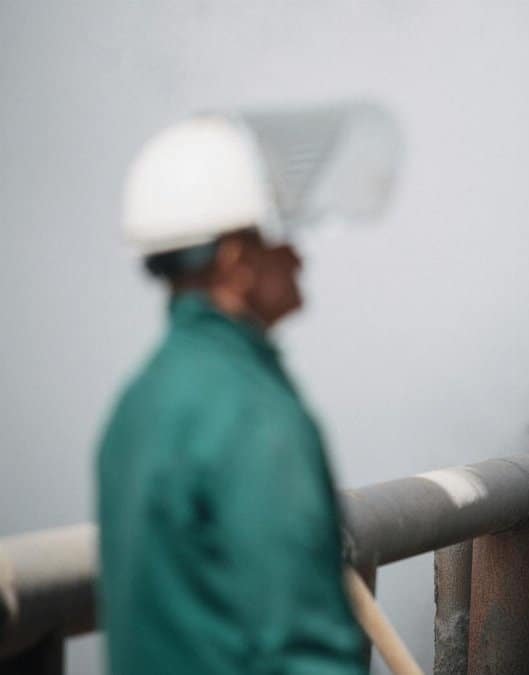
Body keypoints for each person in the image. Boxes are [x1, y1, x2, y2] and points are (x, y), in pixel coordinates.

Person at [96, 104, 397, 675]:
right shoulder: (252, 413)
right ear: (236, 262)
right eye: (281, 235)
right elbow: (305, 650)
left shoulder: (139, 402)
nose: (298, 254)